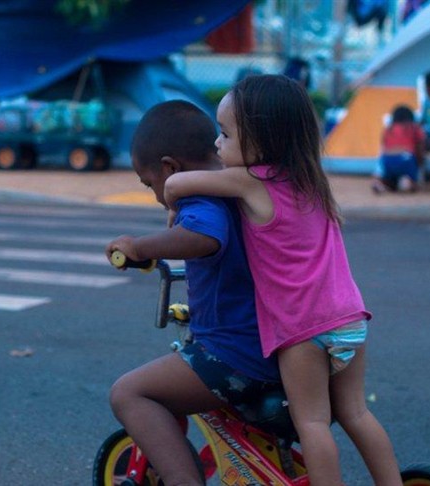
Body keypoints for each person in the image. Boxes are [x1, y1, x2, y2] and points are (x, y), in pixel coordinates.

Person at [164, 75, 402, 486]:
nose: (218, 146)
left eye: (225, 135)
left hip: (302, 330)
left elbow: (176, 182)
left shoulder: (252, 180)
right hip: (350, 319)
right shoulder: (311, 180)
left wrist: (172, 205)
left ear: (260, 141)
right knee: (357, 413)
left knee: (312, 421)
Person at [105, 100, 282, 486]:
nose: (154, 194)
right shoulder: (237, 186)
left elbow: (204, 238)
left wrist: (141, 247)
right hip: (270, 346)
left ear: (170, 169)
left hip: (233, 355)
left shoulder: (201, 198)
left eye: (148, 183)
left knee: (129, 393)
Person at [372, 104, 425, 194]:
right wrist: (420, 163)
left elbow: (383, 148)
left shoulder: (388, 129)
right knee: (412, 180)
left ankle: (381, 183)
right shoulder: (414, 128)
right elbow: (419, 148)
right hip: (406, 158)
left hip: (387, 159)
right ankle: (407, 183)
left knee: (390, 179)